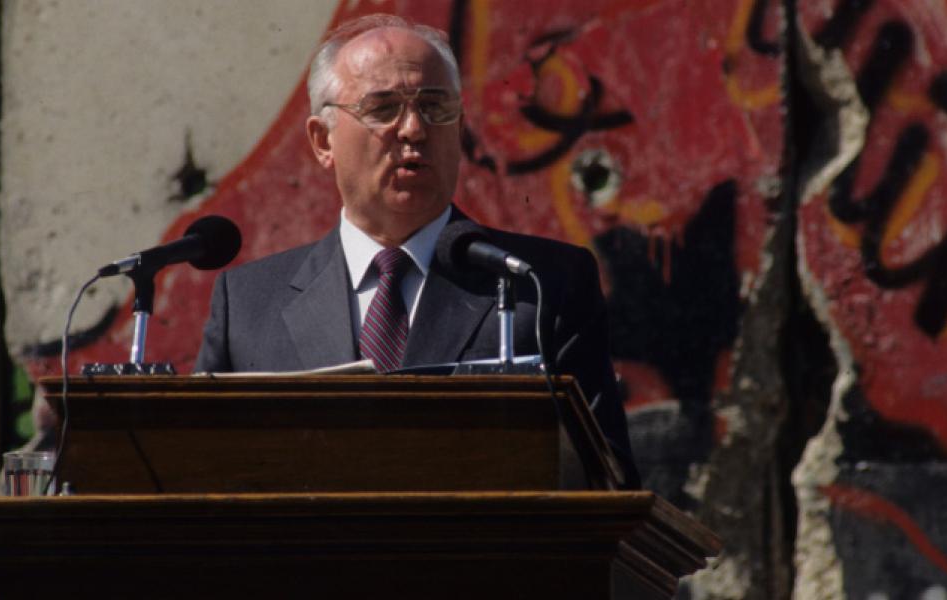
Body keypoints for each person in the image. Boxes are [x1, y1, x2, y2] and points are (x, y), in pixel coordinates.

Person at [194, 14, 640, 488]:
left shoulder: (541, 284)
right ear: (323, 141)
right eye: (383, 108)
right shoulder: (248, 305)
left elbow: (607, 486)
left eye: (434, 106)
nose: (413, 129)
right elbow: (200, 482)